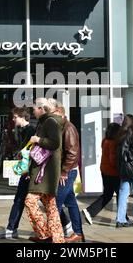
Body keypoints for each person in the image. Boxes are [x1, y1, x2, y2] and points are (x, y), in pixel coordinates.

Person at [24, 98, 65, 243]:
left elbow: (55, 143)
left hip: (46, 173)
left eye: (34, 108)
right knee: (51, 206)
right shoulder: (46, 122)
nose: (33, 111)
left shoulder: (50, 122)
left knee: (30, 202)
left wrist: (37, 140)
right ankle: (57, 239)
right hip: (46, 171)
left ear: (41, 108)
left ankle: (45, 235)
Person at [0, 107, 35, 239]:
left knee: (21, 199)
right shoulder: (23, 130)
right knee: (20, 199)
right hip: (27, 171)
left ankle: (11, 229)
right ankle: (11, 229)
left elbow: (31, 152)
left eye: (15, 117)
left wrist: (28, 170)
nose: (13, 120)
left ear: (22, 117)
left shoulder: (30, 131)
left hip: (29, 172)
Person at [50, 100, 85, 243]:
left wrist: (64, 172)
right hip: (66, 171)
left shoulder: (68, 128)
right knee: (71, 203)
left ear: (61, 114)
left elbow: (72, 153)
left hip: (67, 173)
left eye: (54, 115)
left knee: (55, 204)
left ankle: (54, 235)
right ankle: (78, 233)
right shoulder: (61, 127)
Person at [82, 122, 121, 226]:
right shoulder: (113, 143)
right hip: (113, 173)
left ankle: (90, 211)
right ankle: (121, 218)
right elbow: (113, 160)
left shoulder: (105, 141)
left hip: (105, 171)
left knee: (108, 194)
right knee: (120, 194)